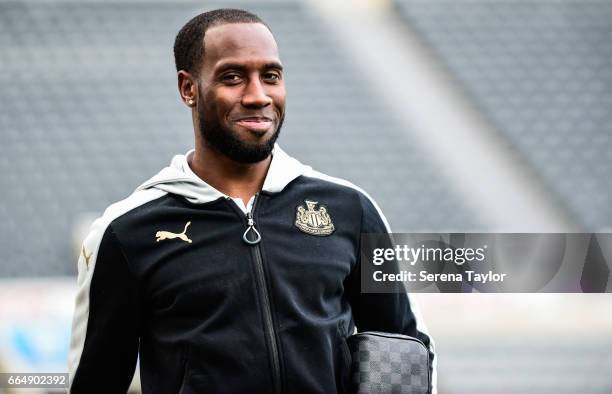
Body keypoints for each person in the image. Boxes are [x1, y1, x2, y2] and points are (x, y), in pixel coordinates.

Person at [68, 8, 436, 394]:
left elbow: (405, 352)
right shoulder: (127, 232)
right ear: (188, 88)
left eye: (271, 76)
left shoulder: (351, 210)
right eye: (233, 77)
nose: (258, 96)